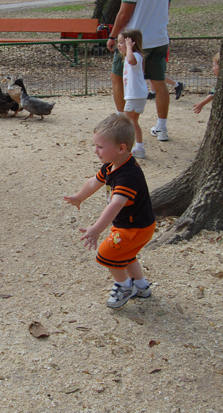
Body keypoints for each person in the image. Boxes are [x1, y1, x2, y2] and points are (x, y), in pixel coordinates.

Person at [64, 114, 156, 308]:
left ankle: (124, 287)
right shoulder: (111, 165)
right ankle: (141, 286)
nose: (96, 151)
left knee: (107, 254)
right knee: (125, 255)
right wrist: (79, 197)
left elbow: (115, 204)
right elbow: (93, 182)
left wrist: (97, 229)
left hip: (135, 228)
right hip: (132, 225)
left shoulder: (129, 175)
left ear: (121, 148)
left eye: (100, 147)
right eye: (95, 146)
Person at [107, 0, 173, 142]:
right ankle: (161, 128)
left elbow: (124, 14)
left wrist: (112, 36)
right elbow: (166, 9)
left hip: (134, 42)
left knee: (117, 77)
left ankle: (122, 124)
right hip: (160, 39)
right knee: (159, 82)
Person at [118, 29, 148, 159]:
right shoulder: (131, 57)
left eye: (122, 42)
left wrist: (129, 47)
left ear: (132, 44)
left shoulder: (135, 56)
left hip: (135, 96)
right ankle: (139, 148)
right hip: (136, 95)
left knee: (125, 123)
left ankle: (125, 149)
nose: (118, 45)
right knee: (133, 122)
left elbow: (131, 60)